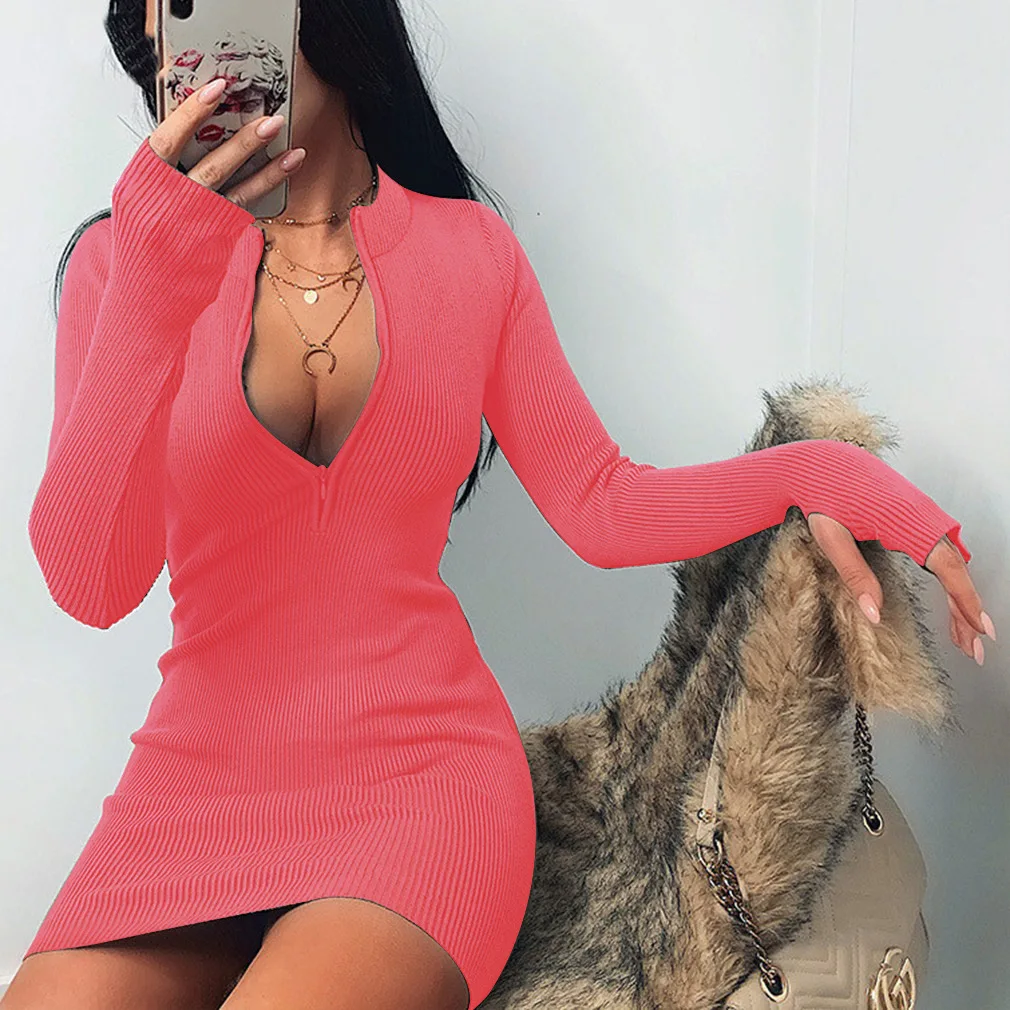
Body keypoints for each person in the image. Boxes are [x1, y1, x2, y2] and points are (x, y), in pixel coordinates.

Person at [6, 1, 993, 1009]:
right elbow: (91, 582)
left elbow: (602, 503)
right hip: (193, 784)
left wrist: (821, 470)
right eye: (170, 38)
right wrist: (155, 282)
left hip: (421, 783)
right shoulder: (124, 266)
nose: (209, 60)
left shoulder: (469, 253)